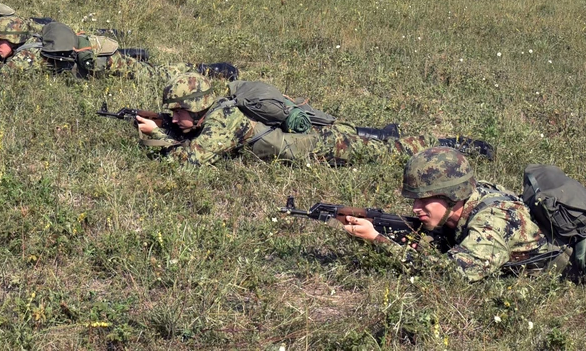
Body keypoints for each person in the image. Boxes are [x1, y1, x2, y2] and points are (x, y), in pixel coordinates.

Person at [135, 73, 493, 168]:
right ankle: (380, 134)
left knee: (384, 151)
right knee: (364, 138)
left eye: (179, 111)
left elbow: (191, 162)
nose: (174, 118)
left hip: (313, 148)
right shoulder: (214, 113)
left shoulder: (222, 119)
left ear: (199, 106)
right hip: (306, 141)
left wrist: (157, 137)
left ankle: (453, 145)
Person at [340, 147, 562, 281]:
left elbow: (448, 275)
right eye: (415, 199)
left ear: (452, 195)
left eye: (425, 199)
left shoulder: (493, 222)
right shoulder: (471, 195)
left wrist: (378, 240)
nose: (416, 208)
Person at [0, 19, 235, 82]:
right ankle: (132, 55)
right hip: (95, 59)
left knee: (154, 75)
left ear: (15, 41)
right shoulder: (32, 44)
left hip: (101, 64)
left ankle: (206, 70)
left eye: (0, 42)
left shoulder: (26, 55)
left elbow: (5, 76)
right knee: (138, 66)